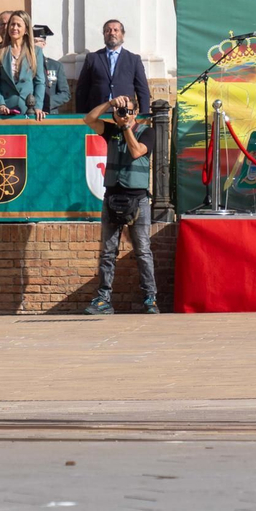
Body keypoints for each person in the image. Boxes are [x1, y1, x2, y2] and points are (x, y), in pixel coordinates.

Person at [83, 94, 158, 315]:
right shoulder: (111, 131)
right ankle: (103, 299)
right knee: (107, 251)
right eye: (120, 111)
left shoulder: (148, 132)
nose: (124, 114)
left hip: (138, 199)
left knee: (143, 250)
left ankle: (150, 298)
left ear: (135, 113)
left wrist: (126, 127)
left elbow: (136, 152)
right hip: (112, 196)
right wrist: (110, 104)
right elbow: (89, 119)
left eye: (128, 111)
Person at [74, 19, 152, 115]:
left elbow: (142, 90)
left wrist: (144, 117)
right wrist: (81, 117)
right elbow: (82, 89)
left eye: (116, 30)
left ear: (122, 34)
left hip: (124, 113)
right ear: (104, 35)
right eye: (108, 30)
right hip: (98, 113)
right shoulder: (92, 58)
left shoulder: (134, 60)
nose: (112, 33)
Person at [0, 10, 46, 118]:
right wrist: (1, 104)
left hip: (28, 109)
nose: (14, 28)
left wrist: (38, 107)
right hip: (5, 110)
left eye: (18, 25)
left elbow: (40, 82)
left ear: (26, 30)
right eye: (12, 24)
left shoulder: (35, 52)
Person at [33, 26, 71, 114]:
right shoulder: (23, 64)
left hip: (49, 113)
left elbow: (65, 94)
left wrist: (44, 103)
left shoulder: (55, 66)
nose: (33, 44)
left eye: (36, 41)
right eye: (31, 41)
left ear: (43, 44)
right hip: (27, 113)